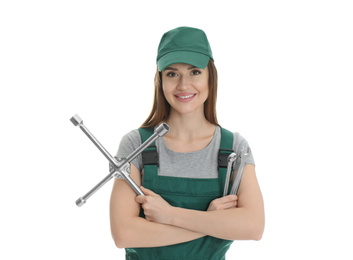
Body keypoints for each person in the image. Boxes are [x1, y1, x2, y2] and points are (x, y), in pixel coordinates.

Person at [110, 26, 264, 260]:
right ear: (159, 80)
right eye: (172, 74)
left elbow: (253, 227)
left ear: (210, 77)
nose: (183, 85)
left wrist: (170, 215)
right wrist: (212, 221)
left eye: (194, 72)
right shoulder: (136, 145)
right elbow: (124, 233)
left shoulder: (234, 149)